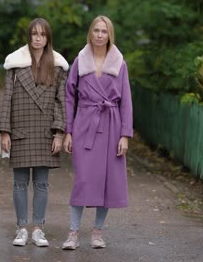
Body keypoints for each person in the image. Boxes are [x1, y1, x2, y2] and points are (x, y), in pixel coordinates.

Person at [62, 15, 133, 250]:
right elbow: (69, 97)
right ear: (90, 33)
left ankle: (97, 233)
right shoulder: (80, 61)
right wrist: (68, 131)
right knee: (82, 180)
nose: (100, 35)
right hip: (85, 125)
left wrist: (125, 134)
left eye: (104, 31)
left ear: (110, 34)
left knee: (107, 182)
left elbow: (126, 102)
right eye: (96, 30)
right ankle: (73, 233)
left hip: (112, 126)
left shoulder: (119, 63)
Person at [0, 18, 69, 247]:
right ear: (29, 36)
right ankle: (21, 229)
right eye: (34, 34)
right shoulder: (15, 65)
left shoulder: (57, 67)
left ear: (48, 38)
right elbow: (7, 98)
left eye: (42, 34)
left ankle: (38, 229)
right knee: (19, 182)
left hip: (46, 131)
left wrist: (59, 133)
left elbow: (61, 101)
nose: (38, 38)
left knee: (41, 183)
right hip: (20, 129)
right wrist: (4, 132)